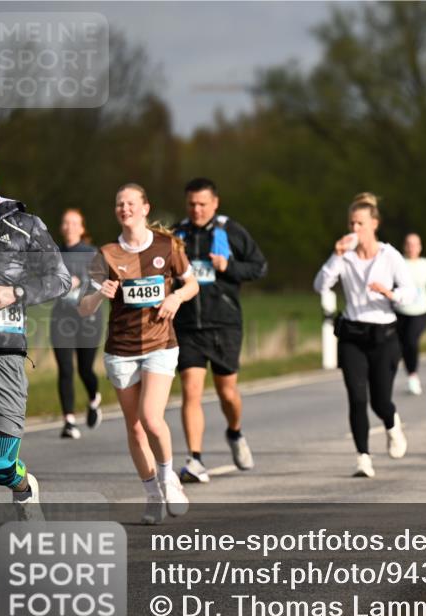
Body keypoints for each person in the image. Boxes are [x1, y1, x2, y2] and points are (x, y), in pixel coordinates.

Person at [0, 142, 70, 587]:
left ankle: (23, 487)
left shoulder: (22, 225)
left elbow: (60, 278)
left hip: (2, 356)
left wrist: (15, 292)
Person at [78, 183, 199, 523]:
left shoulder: (167, 246)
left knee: (151, 417)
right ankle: (152, 496)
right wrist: (100, 294)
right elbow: (84, 309)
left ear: (146, 208)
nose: (125, 208)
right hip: (121, 349)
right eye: (119, 204)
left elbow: (191, 283)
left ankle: (167, 477)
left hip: (160, 344)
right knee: (134, 428)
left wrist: (176, 297)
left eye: (131, 203)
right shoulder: (106, 254)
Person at [171, 178, 267, 484]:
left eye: (202, 204)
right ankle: (195, 459)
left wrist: (229, 267)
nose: (197, 209)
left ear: (215, 203)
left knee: (227, 393)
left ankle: (235, 433)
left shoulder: (231, 232)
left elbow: (259, 266)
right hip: (188, 326)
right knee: (191, 391)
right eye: (192, 204)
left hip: (224, 324)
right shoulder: (177, 235)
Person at [313, 193, 414, 478]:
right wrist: (336, 255)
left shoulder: (389, 255)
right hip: (352, 335)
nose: (354, 229)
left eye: (360, 224)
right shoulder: (343, 257)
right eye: (351, 223)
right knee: (357, 398)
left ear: (374, 224)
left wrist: (389, 293)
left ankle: (392, 424)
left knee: (380, 401)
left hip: (384, 335)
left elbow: (411, 292)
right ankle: (363, 457)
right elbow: (320, 284)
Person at [51, 208, 103, 439]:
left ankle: (94, 398)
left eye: (75, 223)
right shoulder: (54, 254)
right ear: (62, 228)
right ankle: (69, 421)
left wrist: (81, 284)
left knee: (85, 370)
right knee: (65, 369)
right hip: (62, 317)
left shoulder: (91, 253)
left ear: (82, 228)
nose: (70, 226)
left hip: (88, 318)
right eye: (66, 222)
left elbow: (102, 284)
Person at [395, 233, 426, 396]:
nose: (412, 247)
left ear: (420, 247)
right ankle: (409, 374)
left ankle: (413, 376)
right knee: (402, 344)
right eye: (409, 244)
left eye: (415, 244)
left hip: (421, 309)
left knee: (411, 341)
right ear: (404, 246)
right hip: (400, 310)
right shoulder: (398, 263)